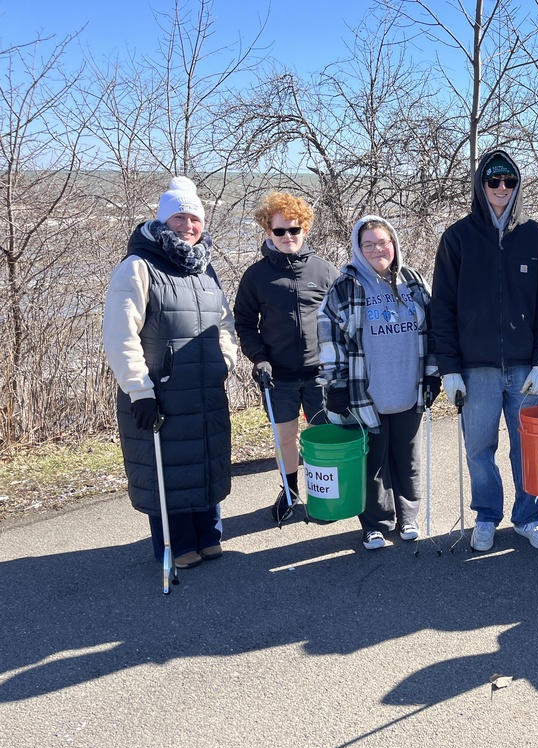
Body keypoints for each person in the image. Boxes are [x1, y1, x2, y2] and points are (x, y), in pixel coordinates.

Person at [102, 177, 238, 569]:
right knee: (169, 467)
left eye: (194, 218)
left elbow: (225, 324)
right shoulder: (138, 267)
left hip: (205, 387)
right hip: (159, 391)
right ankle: (176, 545)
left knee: (205, 460)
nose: (188, 226)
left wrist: (223, 361)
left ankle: (208, 536)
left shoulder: (205, 269)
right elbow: (120, 333)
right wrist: (138, 390)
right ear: (164, 220)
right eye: (179, 217)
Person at [431, 149, 538, 552]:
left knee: (528, 447)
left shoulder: (535, 236)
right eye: (493, 181)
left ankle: (528, 516)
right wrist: (449, 368)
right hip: (476, 368)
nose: (501, 188)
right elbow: (443, 308)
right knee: (479, 448)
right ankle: (487, 514)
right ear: (480, 185)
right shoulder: (458, 238)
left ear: (517, 184)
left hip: (526, 369)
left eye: (508, 181)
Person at [318, 216, 439, 550]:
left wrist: (433, 373)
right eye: (367, 244)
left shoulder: (412, 281)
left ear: (394, 243)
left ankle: (408, 517)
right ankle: (375, 523)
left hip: (408, 389)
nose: (376, 249)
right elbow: (329, 338)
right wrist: (336, 383)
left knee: (408, 459)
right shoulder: (346, 286)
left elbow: (434, 330)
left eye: (382, 242)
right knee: (373, 463)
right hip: (364, 393)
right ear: (358, 248)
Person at [234, 192, 339, 523]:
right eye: (279, 231)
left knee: (322, 438)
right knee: (285, 437)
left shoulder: (324, 272)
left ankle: (324, 496)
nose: (287, 237)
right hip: (277, 376)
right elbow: (244, 323)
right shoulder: (256, 276)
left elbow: (343, 320)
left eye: (294, 230)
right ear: (268, 232)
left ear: (304, 229)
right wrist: (258, 358)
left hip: (320, 373)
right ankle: (291, 492)